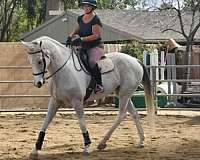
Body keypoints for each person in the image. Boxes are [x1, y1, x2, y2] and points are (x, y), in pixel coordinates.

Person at [66, 0, 104, 94]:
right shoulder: (80, 18)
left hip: (95, 46)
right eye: (84, 6)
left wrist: (81, 39)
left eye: (88, 6)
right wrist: (70, 36)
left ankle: (99, 84)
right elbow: (77, 29)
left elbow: (96, 35)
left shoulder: (96, 19)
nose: (85, 8)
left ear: (92, 7)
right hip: (84, 46)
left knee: (91, 62)